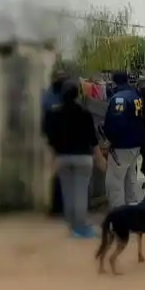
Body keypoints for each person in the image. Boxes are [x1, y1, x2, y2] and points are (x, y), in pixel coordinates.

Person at [42, 80, 106, 238]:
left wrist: (53, 156)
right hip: (83, 158)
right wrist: (100, 159)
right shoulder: (84, 113)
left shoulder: (54, 114)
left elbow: (50, 137)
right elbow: (93, 138)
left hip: (63, 157)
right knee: (80, 192)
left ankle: (72, 225)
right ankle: (81, 225)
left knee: (67, 192)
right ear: (77, 94)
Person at [103, 71, 145, 208]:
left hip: (121, 146)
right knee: (130, 181)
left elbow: (117, 122)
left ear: (114, 81)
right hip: (135, 144)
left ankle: (118, 216)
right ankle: (132, 213)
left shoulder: (119, 99)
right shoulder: (135, 95)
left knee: (115, 183)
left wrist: (110, 140)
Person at [42, 70, 69, 217]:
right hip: (56, 143)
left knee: (61, 175)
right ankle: (57, 206)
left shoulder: (60, 95)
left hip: (63, 142)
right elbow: (46, 121)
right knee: (57, 174)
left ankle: (62, 206)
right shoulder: (50, 97)